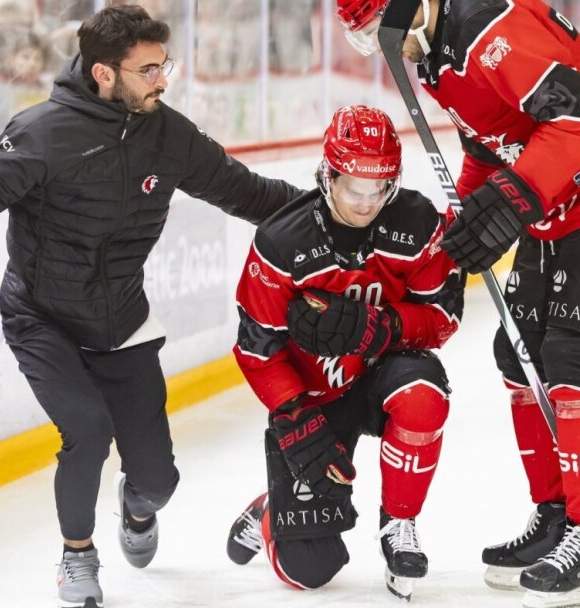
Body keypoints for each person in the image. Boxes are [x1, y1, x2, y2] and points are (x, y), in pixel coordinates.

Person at [0, 6, 303, 608]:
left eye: (164, 65)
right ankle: (78, 556)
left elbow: (246, 192)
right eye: (149, 69)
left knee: (158, 480)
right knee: (88, 429)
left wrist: (326, 208)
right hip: (41, 316)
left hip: (121, 320)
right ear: (104, 73)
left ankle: (136, 507)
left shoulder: (168, 133)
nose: (162, 79)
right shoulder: (41, 133)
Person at [335, 1, 580, 606]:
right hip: (559, 201)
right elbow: (490, 142)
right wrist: (463, 224)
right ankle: (557, 515)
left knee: (575, 359)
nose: (379, 47)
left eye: (373, 32)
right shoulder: (439, 52)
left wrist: (510, 201)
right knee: (517, 351)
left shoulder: (491, 26)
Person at [224, 105, 463, 600]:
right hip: (316, 396)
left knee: (424, 395)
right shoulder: (281, 240)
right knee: (307, 570)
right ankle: (271, 509)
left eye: (381, 189)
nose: (367, 202)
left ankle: (399, 525)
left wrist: (391, 326)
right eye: (354, 187)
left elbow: (444, 317)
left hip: (384, 374)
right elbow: (256, 348)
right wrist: (292, 413)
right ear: (327, 174)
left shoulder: (417, 223)